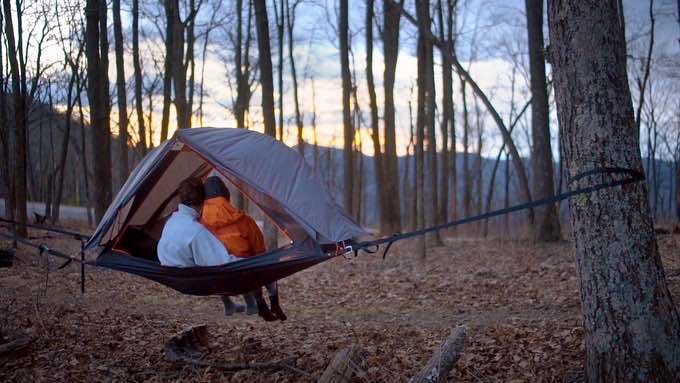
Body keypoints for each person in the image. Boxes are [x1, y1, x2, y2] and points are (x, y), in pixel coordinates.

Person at [156, 177, 273, 321]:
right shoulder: (197, 231)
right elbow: (223, 262)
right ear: (203, 199)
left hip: (171, 272)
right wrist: (254, 264)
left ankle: (242, 304)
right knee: (242, 265)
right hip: (194, 279)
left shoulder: (172, 221)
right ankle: (257, 303)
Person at [201, 175, 287, 321]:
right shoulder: (244, 221)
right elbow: (259, 250)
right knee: (261, 264)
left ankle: (261, 306)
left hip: (219, 276)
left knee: (244, 266)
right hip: (246, 272)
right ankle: (272, 303)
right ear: (226, 196)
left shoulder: (200, 225)